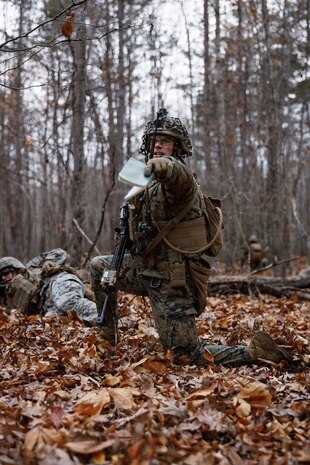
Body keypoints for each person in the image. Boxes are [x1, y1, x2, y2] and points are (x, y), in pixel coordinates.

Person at [90, 110, 291, 367]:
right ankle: (108, 338)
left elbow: (177, 177)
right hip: (148, 270)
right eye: (155, 141)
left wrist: (166, 167)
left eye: (166, 141)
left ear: (178, 147)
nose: (159, 145)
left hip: (173, 280)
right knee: (99, 267)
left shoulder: (180, 181)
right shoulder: (144, 183)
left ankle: (254, 352)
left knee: (186, 355)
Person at [0, 248, 98, 325]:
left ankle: (107, 318)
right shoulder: (5, 296)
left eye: (5, 272)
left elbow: (59, 252)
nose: (3, 277)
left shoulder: (31, 266)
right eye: (0, 276)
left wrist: (49, 260)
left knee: (67, 302)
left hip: (57, 282)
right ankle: (99, 323)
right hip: (48, 305)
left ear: (15, 267)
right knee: (51, 321)